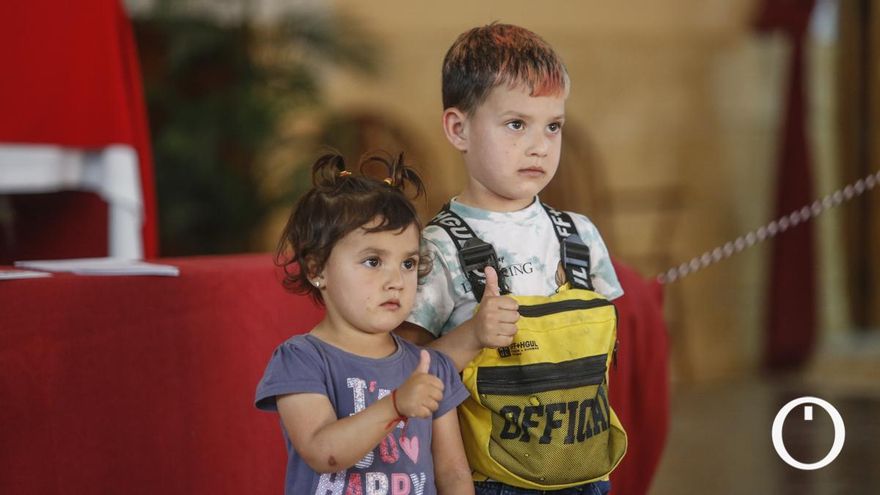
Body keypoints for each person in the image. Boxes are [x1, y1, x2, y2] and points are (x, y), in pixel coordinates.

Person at [396, 23, 624, 495]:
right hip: (494, 482)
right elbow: (402, 373)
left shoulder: (581, 237)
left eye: (553, 126)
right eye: (516, 124)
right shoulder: (438, 249)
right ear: (458, 129)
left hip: (588, 476)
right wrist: (470, 336)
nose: (539, 145)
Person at [255, 152, 473, 495]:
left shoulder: (431, 367)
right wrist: (396, 405)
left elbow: (454, 473)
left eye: (408, 263)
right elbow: (322, 451)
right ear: (316, 269)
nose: (396, 281)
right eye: (373, 261)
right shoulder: (300, 359)